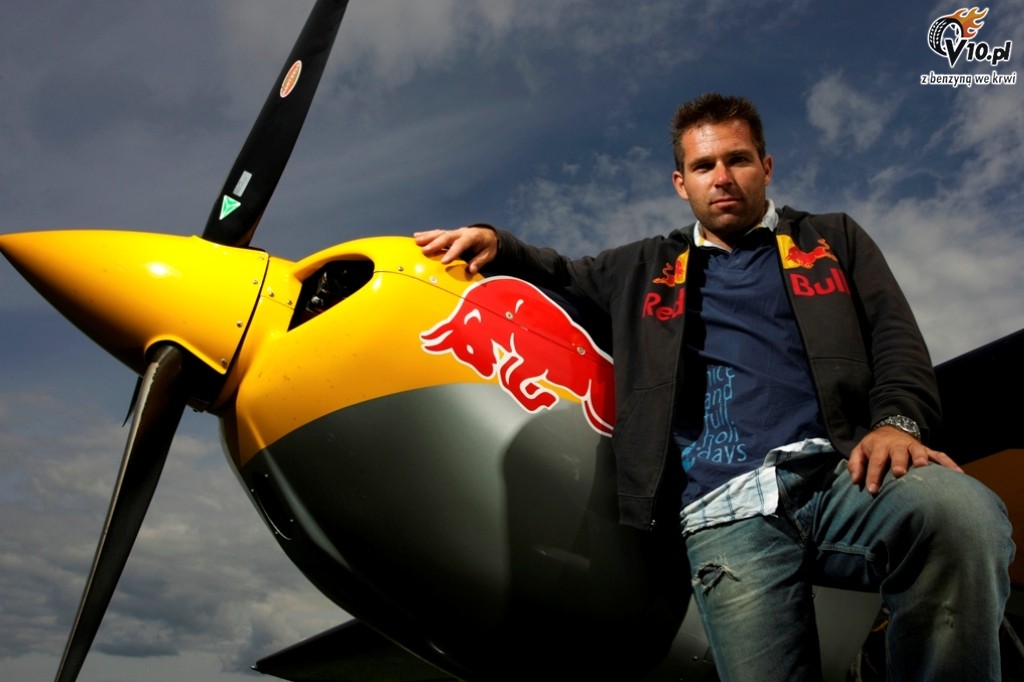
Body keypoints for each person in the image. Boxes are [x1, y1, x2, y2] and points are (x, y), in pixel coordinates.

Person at [414, 93, 1013, 680]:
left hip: (840, 475)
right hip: (722, 511)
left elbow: (896, 339)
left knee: (961, 516)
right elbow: (561, 273)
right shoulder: (641, 266)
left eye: (738, 159)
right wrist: (496, 241)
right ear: (682, 183)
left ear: (766, 167)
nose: (721, 177)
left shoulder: (833, 238)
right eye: (703, 166)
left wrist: (896, 422)